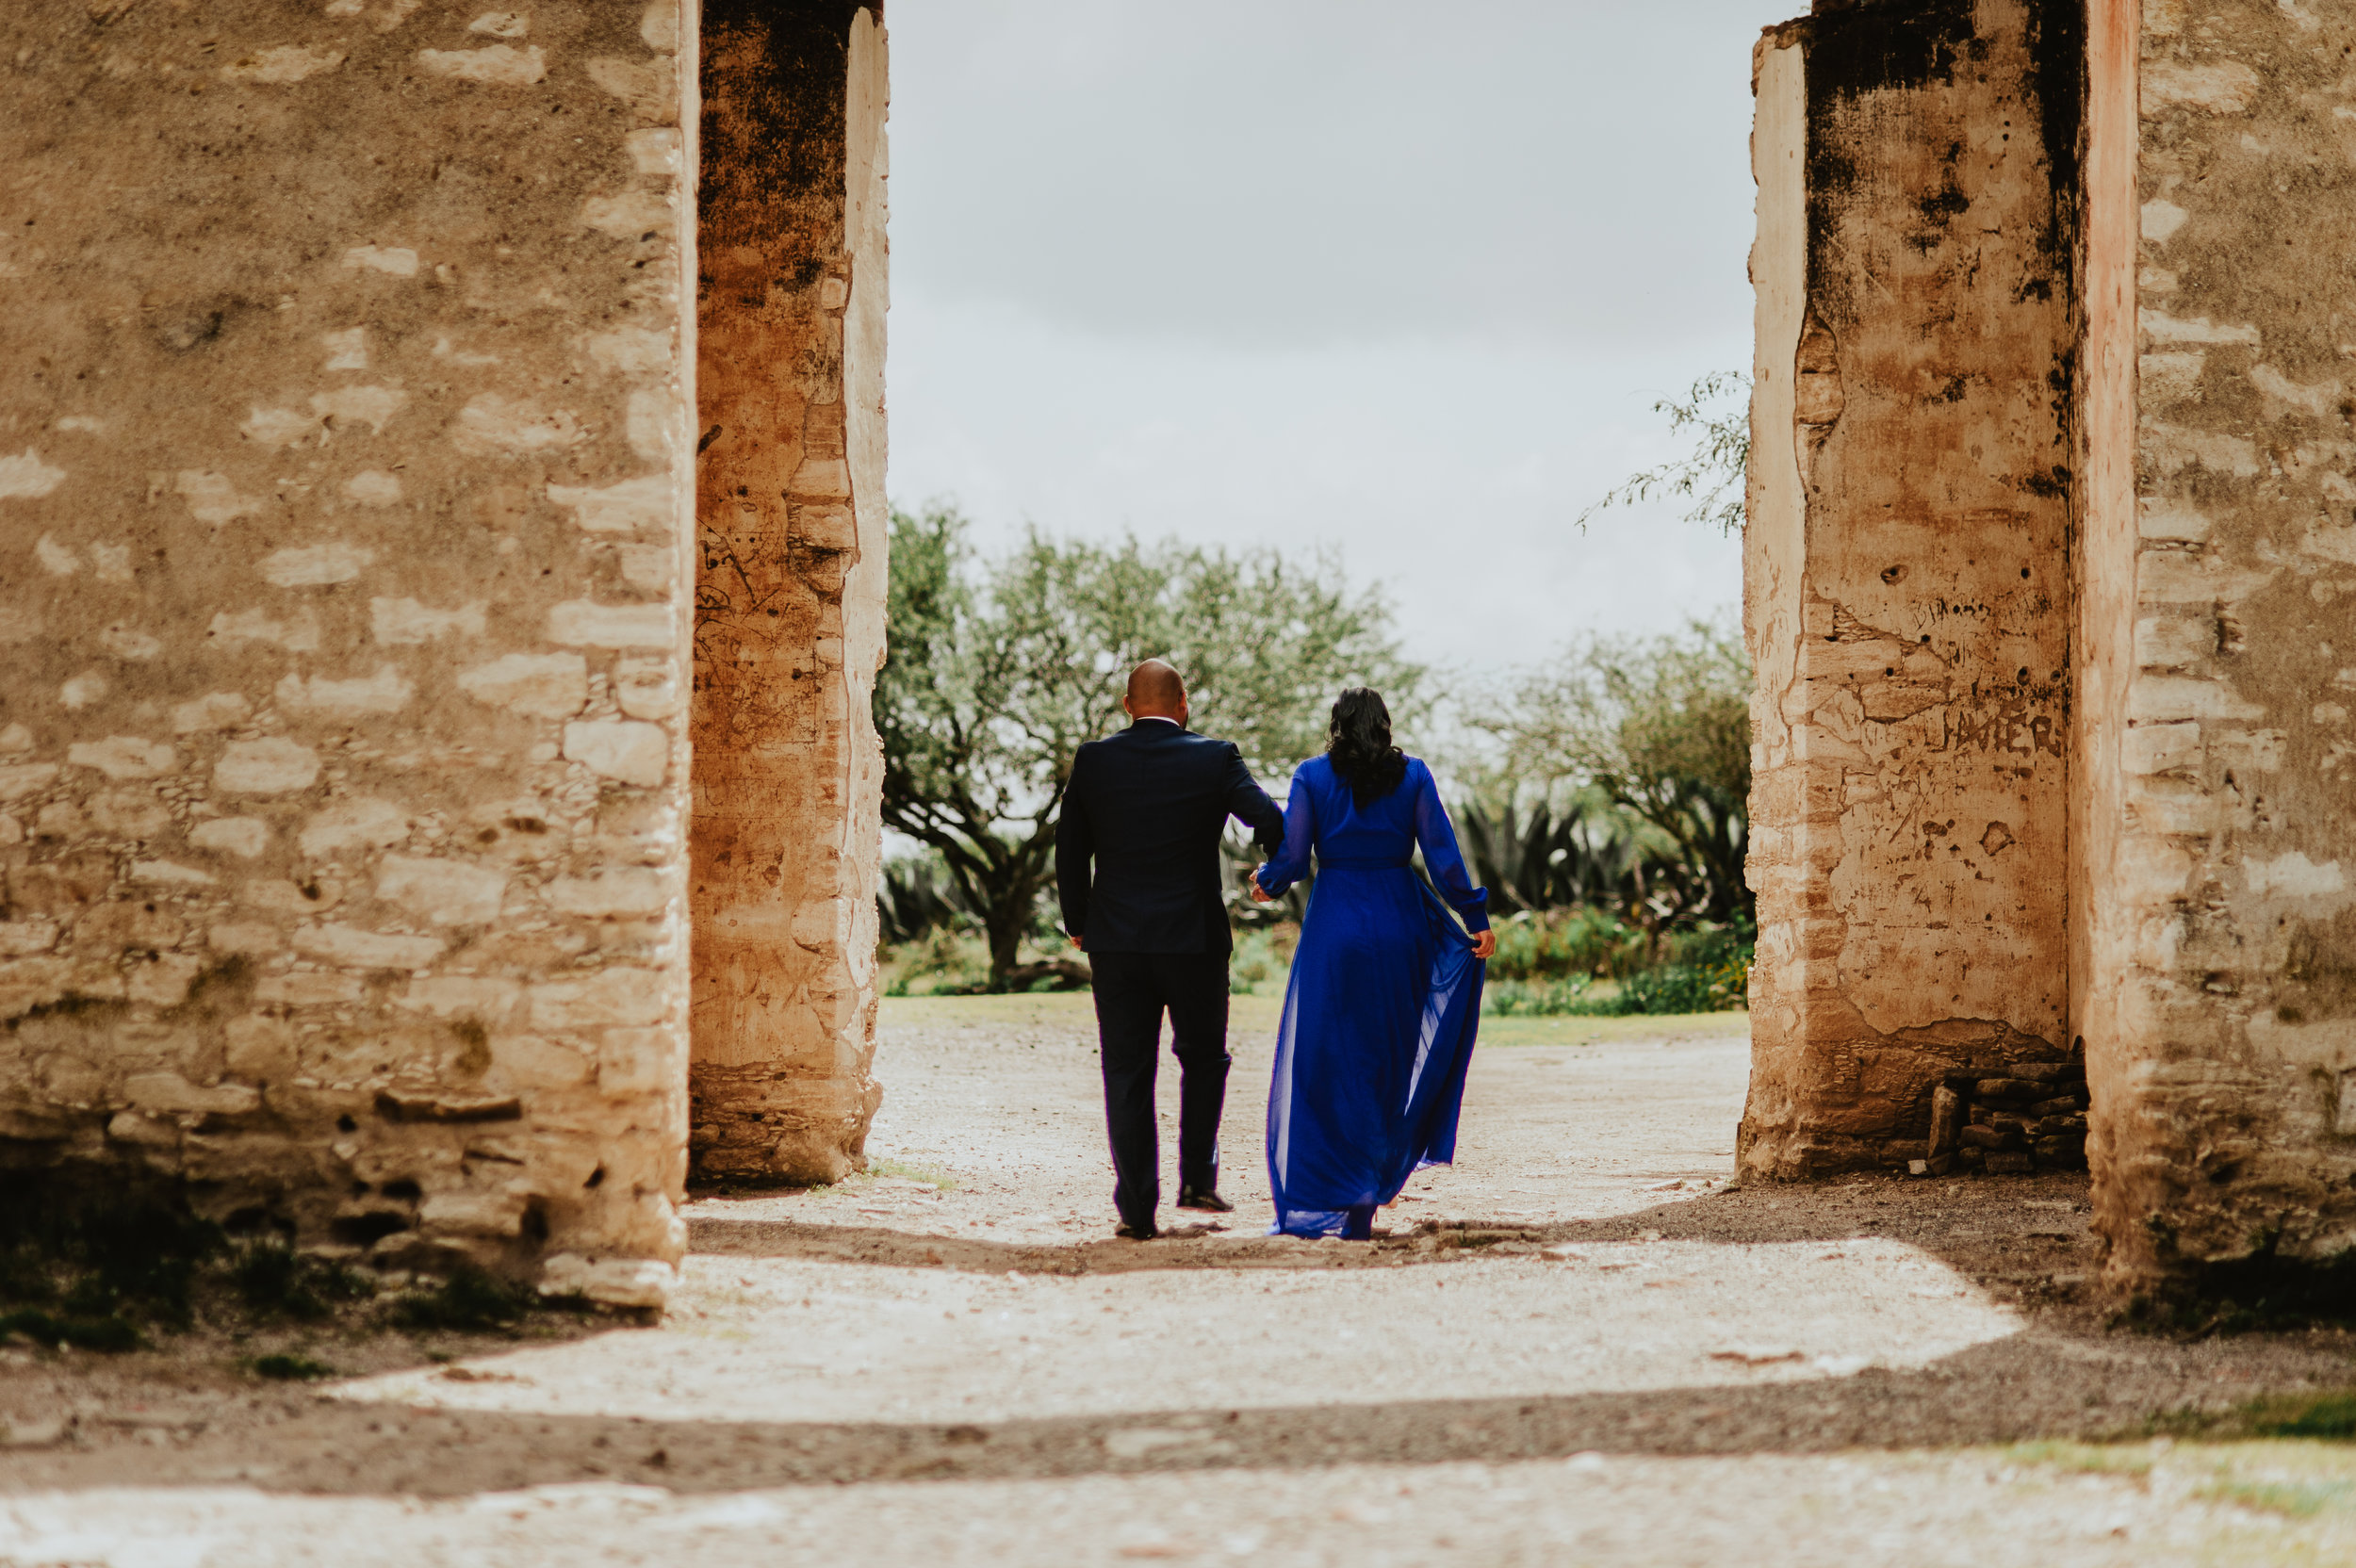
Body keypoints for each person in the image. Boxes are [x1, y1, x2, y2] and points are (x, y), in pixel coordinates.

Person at [1250, 688, 1496, 1239]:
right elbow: (1441, 854)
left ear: (1335, 725)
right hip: (1398, 928)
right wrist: (1474, 916)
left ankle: (1315, 1201)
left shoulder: (1311, 775)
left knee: (1322, 1063)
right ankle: (1361, 1205)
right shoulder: (1414, 776)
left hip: (1334, 930)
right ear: (1385, 725)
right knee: (1385, 1063)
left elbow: (1292, 857)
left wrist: (1266, 884)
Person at [1058, 659, 1286, 1240]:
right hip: (1194, 940)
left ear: (1127, 706)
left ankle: (1137, 1213)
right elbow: (1268, 817)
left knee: (1127, 1072)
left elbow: (1070, 847)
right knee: (1205, 1059)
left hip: (1116, 942)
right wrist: (1272, 869)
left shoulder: (1094, 759)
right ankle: (1197, 1181)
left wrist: (1080, 921)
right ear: (1183, 703)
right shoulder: (1215, 757)